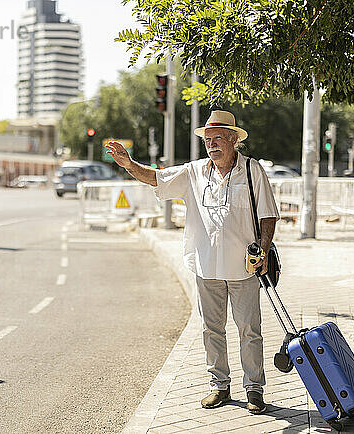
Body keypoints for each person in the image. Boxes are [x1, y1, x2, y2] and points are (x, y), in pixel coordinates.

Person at [105, 110, 279, 414]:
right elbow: (156, 178)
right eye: (207, 139)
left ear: (234, 140)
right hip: (206, 264)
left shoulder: (252, 171)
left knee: (249, 329)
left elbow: (267, 214)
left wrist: (263, 250)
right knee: (212, 328)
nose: (211, 144)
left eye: (218, 138)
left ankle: (254, 388)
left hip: (244, 268)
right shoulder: (194, 172)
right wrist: (129, 164)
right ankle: (219, 386)